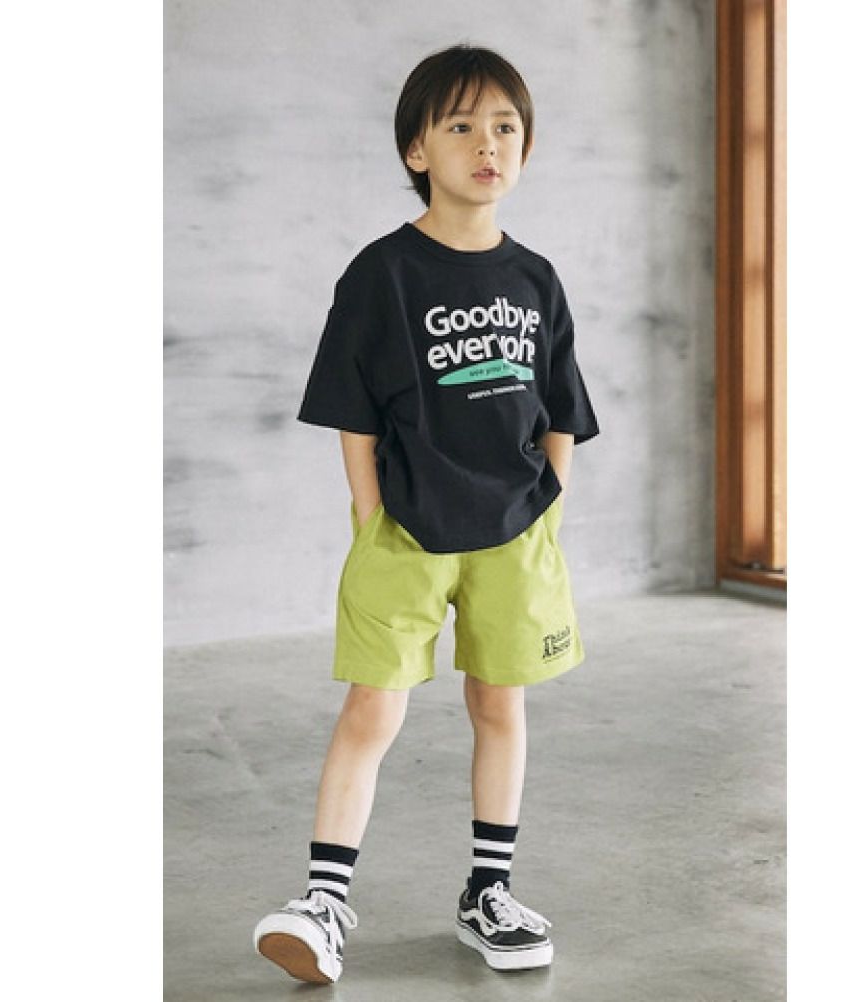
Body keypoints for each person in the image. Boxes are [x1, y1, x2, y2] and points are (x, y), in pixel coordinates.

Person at [253, 43, 600, 985]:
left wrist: (548, 505)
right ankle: (323, 902)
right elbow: (354, 412)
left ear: (525, 147)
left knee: (500, 704)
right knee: (373, 707)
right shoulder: (383, 274)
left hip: (515, 534)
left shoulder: (536, 278)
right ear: (417, 149)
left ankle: (490, 892)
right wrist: (373, 516)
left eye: (505, 127)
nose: (487, 145)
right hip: (404, 533)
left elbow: (562, 404)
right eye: (461, 126)